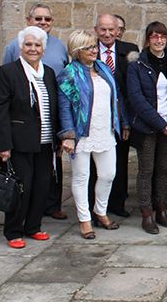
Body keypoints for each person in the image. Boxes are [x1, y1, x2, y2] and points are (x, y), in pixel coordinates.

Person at [0, 26, 60, 248]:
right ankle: (13, 231)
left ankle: (33, 226)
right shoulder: (8, 72)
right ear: (21, 47)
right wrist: (3, 145)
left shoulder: (47, 72)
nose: (33, 49)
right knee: (22, 187)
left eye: (37, 45)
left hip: (45, 141)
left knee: (41, 186)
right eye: (28, 44)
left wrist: (59, 139)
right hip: (19, 142)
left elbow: (54, 107)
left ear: (43, 49)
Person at [2, 3, 70, 221]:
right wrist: (4, 142)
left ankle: (42, 216)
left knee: (46, 175)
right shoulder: (12, 57)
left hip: (49, 127)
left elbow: (60, 92)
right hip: (22, 130)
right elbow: (1, 103)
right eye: (38, 19)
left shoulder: (56, 54)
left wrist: (61, 132)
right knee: (24, 180)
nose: (43, 22)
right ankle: (16, 224)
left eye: (47, 19)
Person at [58, 30, 126, 240]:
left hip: (105, 131)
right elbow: (64, 106)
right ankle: (85, 219)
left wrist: (122, 122)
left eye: (94, 46)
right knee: (81, 177)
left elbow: (116, 97)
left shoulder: (104, 68)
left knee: (108, 174)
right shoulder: (69, 73)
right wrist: (68, 135)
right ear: (77, 50)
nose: (94, 50)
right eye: (89, 48)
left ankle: (100, 210)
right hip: (81, 134)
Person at [127, 21, 167, 234]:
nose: (159, 40)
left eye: (162, 36)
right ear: (148, 39)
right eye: (154, 36)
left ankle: (161, 209)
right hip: (147, 128)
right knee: (146, 170)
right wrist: (161, 125)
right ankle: (146, 213)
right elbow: (136, 99)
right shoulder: (137, 65)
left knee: (162, 170)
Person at [95, 13, 138, 218]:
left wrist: (127, 121)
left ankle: (117, 203)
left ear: (118, 31)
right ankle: (94, 205)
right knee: (96, 165)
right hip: (97, 117)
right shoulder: (89, 50)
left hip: (122, 117)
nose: (107, 33)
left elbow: (133, 87)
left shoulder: (130, 51)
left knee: (119, 162)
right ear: (96, 31)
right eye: (103, 29)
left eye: (111, 29)